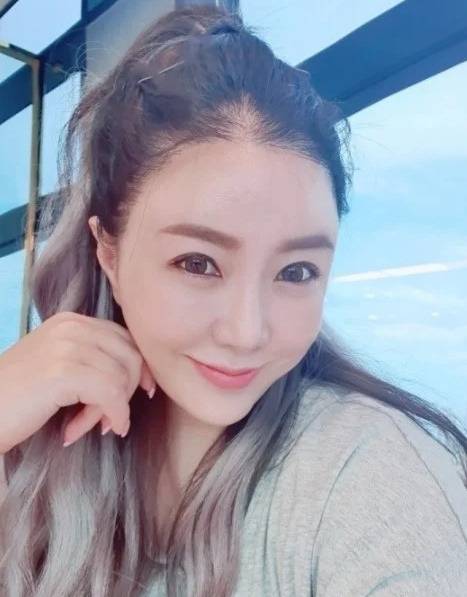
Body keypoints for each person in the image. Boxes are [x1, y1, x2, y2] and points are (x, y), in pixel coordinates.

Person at [0, 4, 466, 596]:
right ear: (109, 254)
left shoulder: (368, 475)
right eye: (198, 263)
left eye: (296, 272)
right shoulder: (38, 449)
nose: (247, 332)